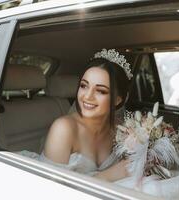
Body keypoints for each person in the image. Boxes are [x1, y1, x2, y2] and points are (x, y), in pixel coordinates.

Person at [41, 49, 133, 182]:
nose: (87, 97)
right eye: (84, 86)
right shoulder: (63, 129)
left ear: (117, 100)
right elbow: (49, 189)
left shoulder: (121, 130)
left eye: (100, 91)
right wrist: (108, 175)